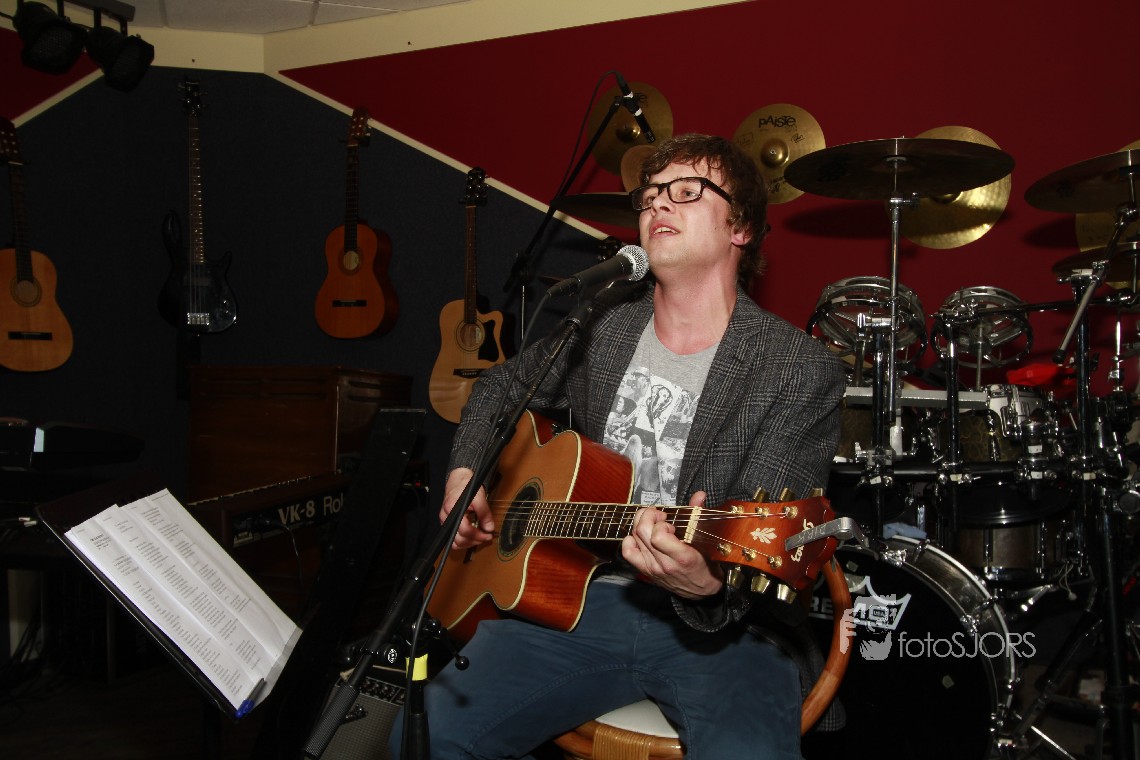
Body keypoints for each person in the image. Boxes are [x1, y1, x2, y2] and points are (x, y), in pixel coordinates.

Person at [390, 133, 845, 759]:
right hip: (583, 600)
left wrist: (709, 585)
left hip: (729, 633)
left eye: (687, 191)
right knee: (423, 737)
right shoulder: (604, 326)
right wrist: (465, 471)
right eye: (650, 195)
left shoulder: (796, 368)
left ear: (740, 227)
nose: (658, 204)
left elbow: (764, 540)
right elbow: (499, 386)